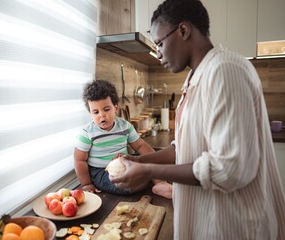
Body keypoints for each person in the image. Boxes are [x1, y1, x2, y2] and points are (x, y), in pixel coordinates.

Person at [109, 0, 285, 239]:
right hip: (207, 221)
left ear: (183, 30)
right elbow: (184, 150)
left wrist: (147, 170)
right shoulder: (195, 78)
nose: (158, 53)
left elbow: (229, 168)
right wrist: (140, 160)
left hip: (235, 225)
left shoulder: (225, 70)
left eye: (160, 43)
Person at [74, 79, 173, 196]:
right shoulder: (87, 133)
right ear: (90, 113)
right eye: (95, 112)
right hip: (101, 171)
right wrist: (86, 184)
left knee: (149, 164)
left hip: (125, 164)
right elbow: (79, 160)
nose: (101, 115)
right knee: (124, 185)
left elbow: (141, 145)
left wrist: (152, 160)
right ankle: (147, 179)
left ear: (116, 108)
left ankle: (160, 183)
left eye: (106, 109)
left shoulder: (124, 126)